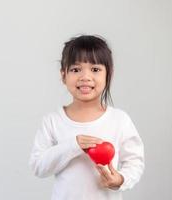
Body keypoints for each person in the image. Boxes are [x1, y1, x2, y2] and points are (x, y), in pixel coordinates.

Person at [28, 34, 145, 200]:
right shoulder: (53, 121)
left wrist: (120, 179)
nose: (85, 77)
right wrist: (73, 146)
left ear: (108, 74)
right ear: (63, 75)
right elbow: (38, 166)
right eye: (76, 70)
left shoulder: (119, 120)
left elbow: (135, 162)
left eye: (95, 69)